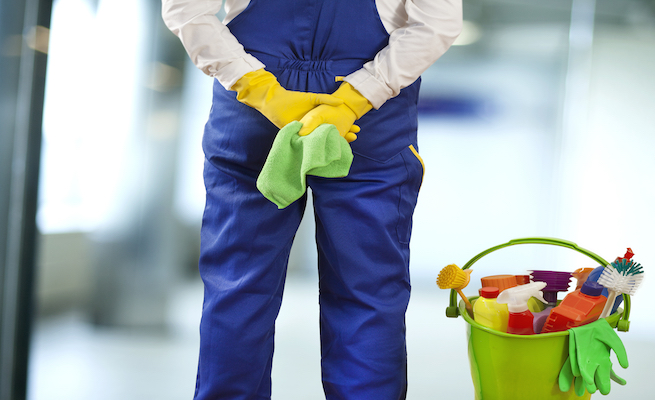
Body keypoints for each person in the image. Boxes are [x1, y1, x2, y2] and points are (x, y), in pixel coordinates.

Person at [160, 1, 463, 399]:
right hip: (367, 117)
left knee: (238, 287)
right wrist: (353, 99)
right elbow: (436, 25)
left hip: (256, 106)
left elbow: (186, 10)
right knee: (366, 291)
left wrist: (260, 88)